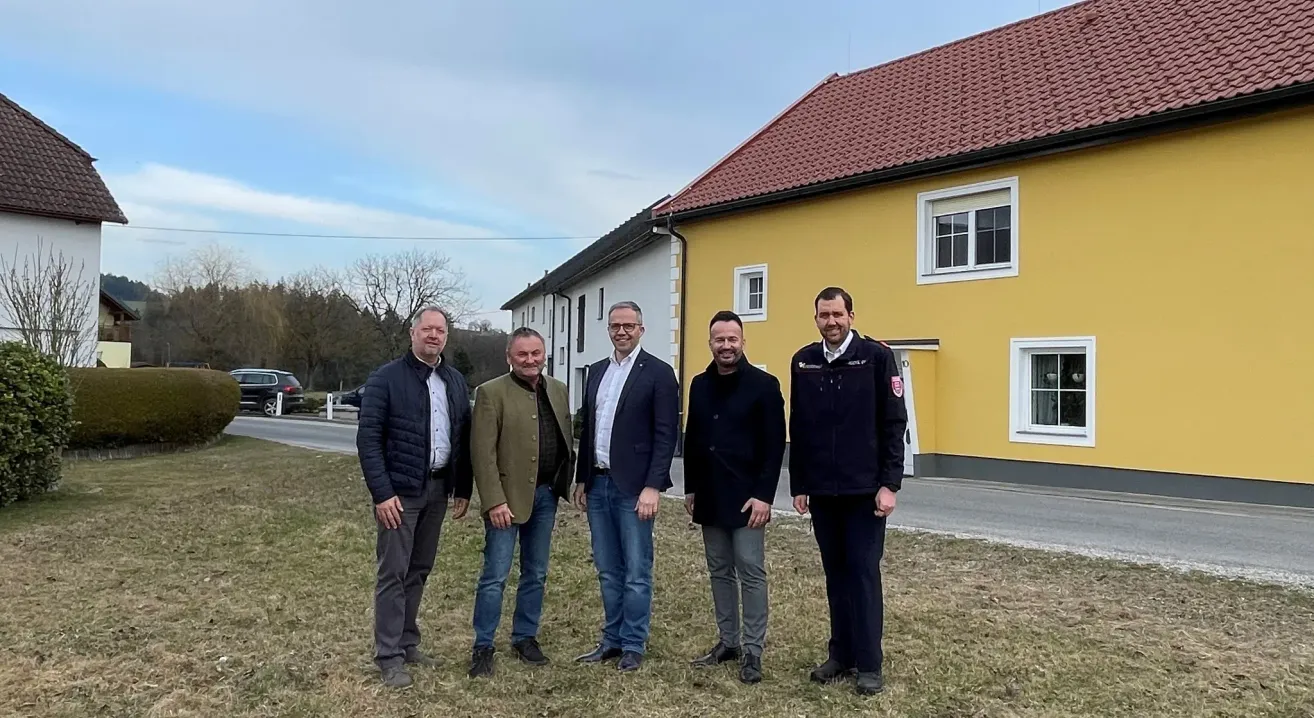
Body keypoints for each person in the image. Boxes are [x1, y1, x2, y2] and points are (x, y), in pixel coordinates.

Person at [788, 286, 907, 696]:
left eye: (838, 314)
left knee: (862, 574)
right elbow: (799, 426)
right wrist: (799, 483)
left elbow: (894, 424)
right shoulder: (803, 360)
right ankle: (841, 655)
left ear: (851, 316)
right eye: (824, 315)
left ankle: (869, 664)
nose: (831, 322)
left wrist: (890, 484)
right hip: (822, 491)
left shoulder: (876, 357)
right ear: (816, 317)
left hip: (865, 492)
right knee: (835, 576)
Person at [357, 305, 473, 689]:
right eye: (427, 329)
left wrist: (463, 487)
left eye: (440, 330)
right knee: (393, 572)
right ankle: (388, 655)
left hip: (438, 489)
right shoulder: (385, 379)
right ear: (413, 333)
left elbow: (462, 438)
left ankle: (407, 642)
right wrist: (382, 493)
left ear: (446, 337)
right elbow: (369, 440)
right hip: (400, 494)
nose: (434, 336)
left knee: (419, 569)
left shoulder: (454, 381)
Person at [571, 300, 680, 672]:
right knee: (607, 567)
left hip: (634, 489)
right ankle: (611, 640)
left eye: (628, 326)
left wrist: (653, 486)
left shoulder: (659, 373)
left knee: (636, 569)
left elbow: (666, 436)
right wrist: (582, 478)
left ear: (641, 329)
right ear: (609, 330)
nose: (621, 331)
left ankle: (633, 643)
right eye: (616, 326)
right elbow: (588, 429)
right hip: (598, 484)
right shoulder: (598, 371)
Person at [683, 310, 786, 684]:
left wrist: (763, 496)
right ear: (710, 343)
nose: (726, 346)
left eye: (732, 339)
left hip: (747, 497)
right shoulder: (698, 383)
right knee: (718, 570)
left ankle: (753, 650)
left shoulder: (764, 385)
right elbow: (692, 437)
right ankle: (728, 641)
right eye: (719, 339)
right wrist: (691, 487)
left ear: (743, 341)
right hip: (709, 493)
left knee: (751, 570)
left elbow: (774, 447)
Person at [468, 327, 575, 678]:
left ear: (544, 354)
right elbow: (481, 454)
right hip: (506, 501)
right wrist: (494, 501)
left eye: (535, 353)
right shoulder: (490, 393)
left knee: (536, 573)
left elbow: (565, 442)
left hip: (545, 497)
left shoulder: (558, 390)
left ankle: (525, 637)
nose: (530, 360)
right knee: (495, 576)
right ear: (509, 357)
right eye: (522, 355)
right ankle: (483, 645)